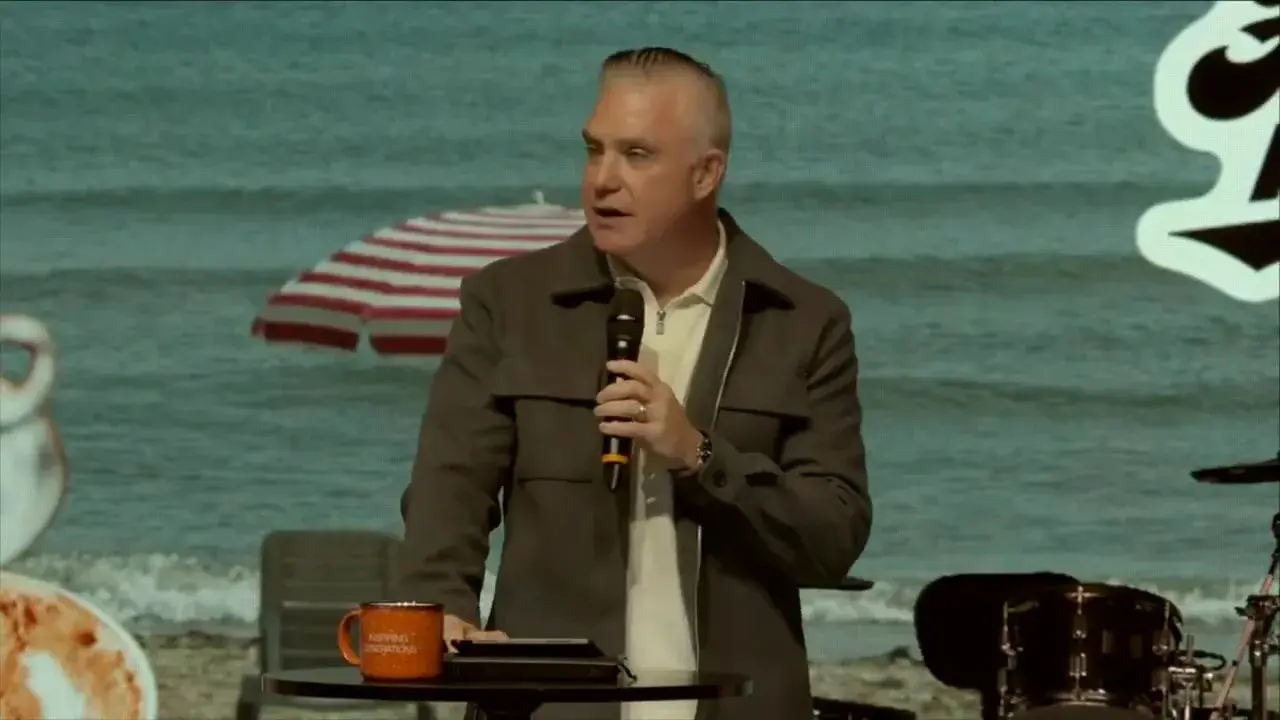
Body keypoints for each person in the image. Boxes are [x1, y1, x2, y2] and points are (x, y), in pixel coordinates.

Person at [398, 47, 872, 720]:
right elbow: (450, 488)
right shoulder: (509, 302)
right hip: (552, 707)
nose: (602, 181)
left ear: (706, 173)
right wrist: (444, 610)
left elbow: (833, 537)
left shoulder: (802, 321)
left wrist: (700, 455)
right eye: (594, 151)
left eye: (637, 155)